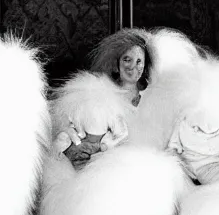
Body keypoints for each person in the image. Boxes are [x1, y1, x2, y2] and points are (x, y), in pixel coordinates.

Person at [56, 29, 153, 168]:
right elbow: (78, 129)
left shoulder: (152, 97)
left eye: (139, 61)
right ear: (116, 63)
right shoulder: (100, 93)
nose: (133, 66)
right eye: (127, 60)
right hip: (105, 166)